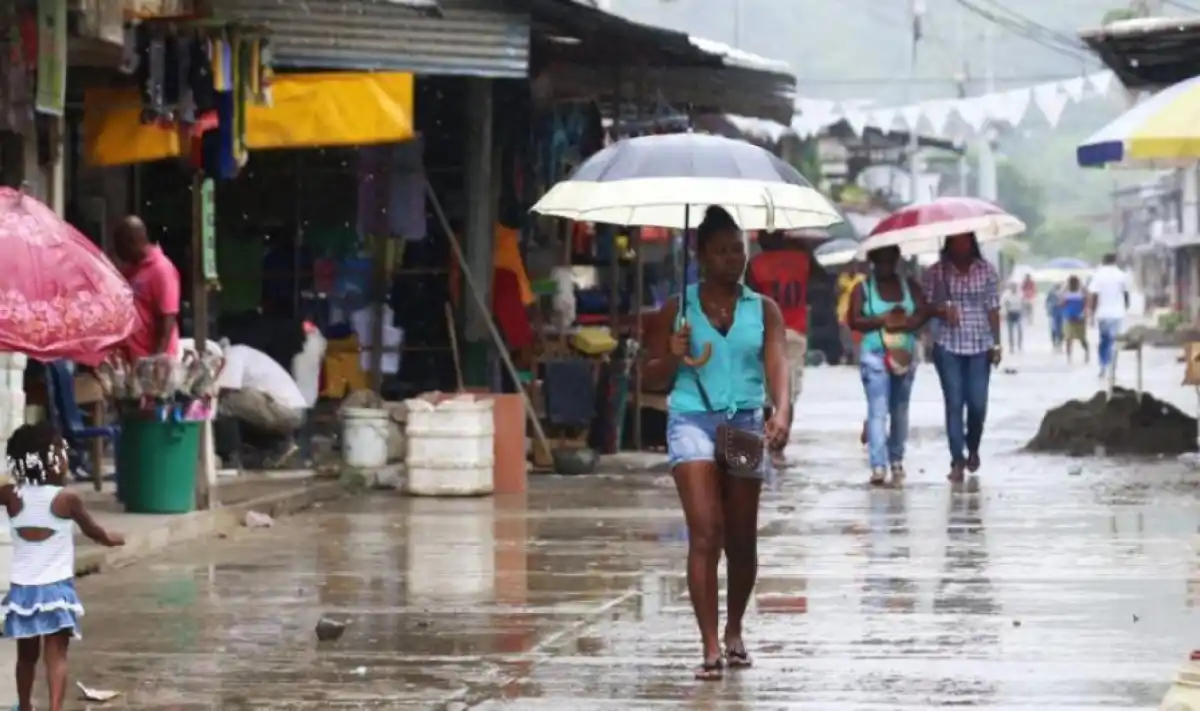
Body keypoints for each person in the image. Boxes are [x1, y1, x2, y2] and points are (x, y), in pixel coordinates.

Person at [644, 205, 790, 681]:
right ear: (700, 255)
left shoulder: (763, 309)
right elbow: (649, 377)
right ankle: (709, 642)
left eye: (739, 250)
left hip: (745, 422)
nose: (734, 259)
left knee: (741, 540)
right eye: (723, 251)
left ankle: (734, 630)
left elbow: (777, 365)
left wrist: (782, 410)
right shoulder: (676, 309)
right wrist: (672, 354)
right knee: (705, 531)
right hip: (692, 420)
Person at [0, 423, 125, 711]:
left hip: (23, 593)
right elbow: (96, 533)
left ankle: (24, 706)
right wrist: (113, 539)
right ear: (51, 461)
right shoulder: (67, 499)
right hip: (56, 591)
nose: (66, 458)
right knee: (56, 656)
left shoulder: (10, 495)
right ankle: (54, 708)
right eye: (61, 452)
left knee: (26, 657)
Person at [848, 245, 937, 486]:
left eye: (891, 261)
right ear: (873, 262)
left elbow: (924, 311)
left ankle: (896, 459)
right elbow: (853, 319)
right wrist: (881, 321)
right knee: (878, 409)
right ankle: (878, 465)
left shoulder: (910, 286)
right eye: (881, 262)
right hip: (874, 355)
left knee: (899, 409)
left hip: (904, 356)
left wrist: (906, 322)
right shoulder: (863, 288)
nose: (886, 267)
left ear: (898, 261)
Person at [923, 233, 1001, 483]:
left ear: (972, 242)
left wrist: (997, 342)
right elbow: (923, 305)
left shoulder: (986, 270)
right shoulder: (936, 272)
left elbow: (993, 307)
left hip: (980, 344)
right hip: (948, 344)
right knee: (954, 402)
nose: (961, 245)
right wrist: (941, 309)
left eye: (965, 240)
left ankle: (973, 446)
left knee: (977, 403)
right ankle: (957, 459)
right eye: (956, 240)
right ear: (948, 242)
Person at [746, 230, 812, 462]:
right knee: (788, 393)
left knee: (766, 390)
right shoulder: (803, 260)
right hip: (795, 332)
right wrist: (802, 247)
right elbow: (822, 280)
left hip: (765, 332)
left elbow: (747, 298)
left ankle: (767, 440)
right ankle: (779, 445)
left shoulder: (755, 265)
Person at [214, 342, 309, 468]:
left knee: (225, 402)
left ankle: (228, 459)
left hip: (286, 410)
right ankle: (278, 445)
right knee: (238, 404)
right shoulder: (245, 353)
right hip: (291, 410)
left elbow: (226, 389)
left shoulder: (232, 354)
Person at [113, 216, 181, 359]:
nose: (117, 252)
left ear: (131, 241)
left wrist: (153, 364)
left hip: (152, 364)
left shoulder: (161, 270)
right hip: (134, 361)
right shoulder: (131, 269)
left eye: (119, 245)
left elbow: (166, 321)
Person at [1088, 253, 1129, 379]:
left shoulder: (1098, 275)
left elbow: (1094, 296)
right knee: (1114, 341)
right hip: (1117, 314)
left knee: (1103, 341)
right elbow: (1126, 294)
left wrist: (1091, 313)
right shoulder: (1121, 275)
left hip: (1103, 314)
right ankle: (1112, 367)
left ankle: (1103, 366)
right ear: (1115, 261)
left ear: (1103, 261)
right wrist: (1125, 307)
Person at [1061, 275, 1089, 364]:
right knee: (1080, 338)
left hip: (1073, 318)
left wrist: (1065, 287)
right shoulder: (1080, 294)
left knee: (1070, 338)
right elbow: (1087, 298)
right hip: (1076, 318)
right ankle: (1085, 353)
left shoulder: (1070, 294)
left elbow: (1061, 303)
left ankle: (1070, 357)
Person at [1001, 282, 1024, 353]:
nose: (1014, 289)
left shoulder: (1020, 294)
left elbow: (1022, 303)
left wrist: (1022, 311)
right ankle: (1011, 346)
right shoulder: (1006, 295)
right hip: (1010, 313)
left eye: (1015, 287)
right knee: (1010, 332)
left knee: (1020, 331)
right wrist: (1006, 310)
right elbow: (1004, 303)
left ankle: (1019, 344)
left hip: (1017, 313)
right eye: (1012, 287)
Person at [1045, 284, 1064, 352]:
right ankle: (1054, 342)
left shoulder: (1064, 292)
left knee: (1061, 328)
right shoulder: (1051, 292)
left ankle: (1060, 343)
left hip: (1062, 312)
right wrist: (1048, 309)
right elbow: (1047, 301)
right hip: (1054, 311)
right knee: (1054, 328)